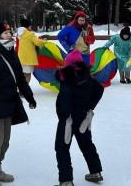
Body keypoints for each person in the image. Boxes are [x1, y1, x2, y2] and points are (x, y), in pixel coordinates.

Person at [0, 21, 37, 186]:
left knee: (5, 141)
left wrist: (29, 96)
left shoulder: (11, 52)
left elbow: (19, 77)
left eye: (10, 33)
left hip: (8, 104)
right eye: (5, 33)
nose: (10, 35)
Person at [54, 50, 104, 186]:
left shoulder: (67, 79)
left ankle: (66, 181)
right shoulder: (88, 78)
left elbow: (65, 99)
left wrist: (64, 116)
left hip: (68, 121)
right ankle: (95, 172)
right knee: (87, 144)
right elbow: (100, 89)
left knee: (62, 147)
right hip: (83, 118)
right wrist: (90, 107)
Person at [16, 18, 48, 84]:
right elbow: (37, 43)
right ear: (28, 26)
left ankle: (20, 89)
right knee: (27, 75)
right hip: (28, 59)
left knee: (22, 74)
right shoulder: (30, 34)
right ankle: (24, 90)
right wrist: (45, 41)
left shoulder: (19, 34)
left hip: (20, 57)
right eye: (30, 25)